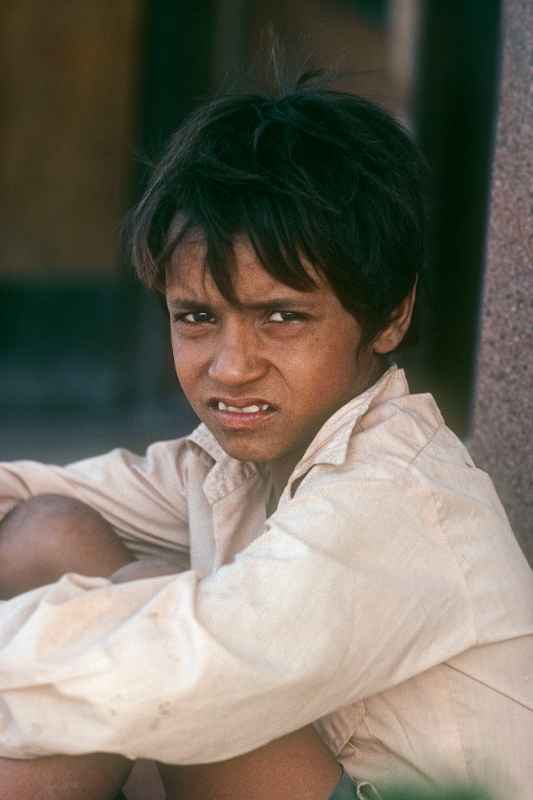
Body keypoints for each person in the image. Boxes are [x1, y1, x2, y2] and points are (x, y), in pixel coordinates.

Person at [0, 71, 532, 800]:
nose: (231, 366)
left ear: (389, 317)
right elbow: (36, 497)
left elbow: (187, 667)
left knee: (148, 650)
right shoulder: (237, 459)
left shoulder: (397, 500)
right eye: (196, 317)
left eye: (281, 318)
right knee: (47, 531)